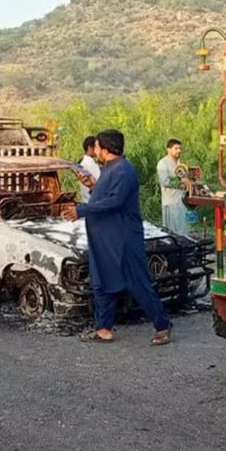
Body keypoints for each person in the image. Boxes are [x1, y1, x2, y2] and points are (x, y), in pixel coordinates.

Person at [63, 130, 172, 345]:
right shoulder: (109, 170)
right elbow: (105, 195)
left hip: (123, 239)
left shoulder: (123, 170)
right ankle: (103, 328)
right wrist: (92, 185)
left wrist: (81, 210)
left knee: (137, 282)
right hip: (104, 239)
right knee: (101, 281)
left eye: (96, 147)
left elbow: (114, 201)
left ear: (106, 148)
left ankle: (163, 325)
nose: (95, 151)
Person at [156, 139, 190, 236]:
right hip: (170, 202)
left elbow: (185, 179)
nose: (179, 150)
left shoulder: (180, 164)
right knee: (171, 233)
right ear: (169, 149)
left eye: (180, 148)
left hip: (182, 202)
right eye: (176, 148)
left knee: (183, 231)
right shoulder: (163, 163)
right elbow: (165, 182)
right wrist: (181, 184)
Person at [77, 136, 101, 203]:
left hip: (86, 199)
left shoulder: (83, 162)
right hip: (93, 200)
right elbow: (99, 180)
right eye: (96, 147)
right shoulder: (89, 163)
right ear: (90, 148)